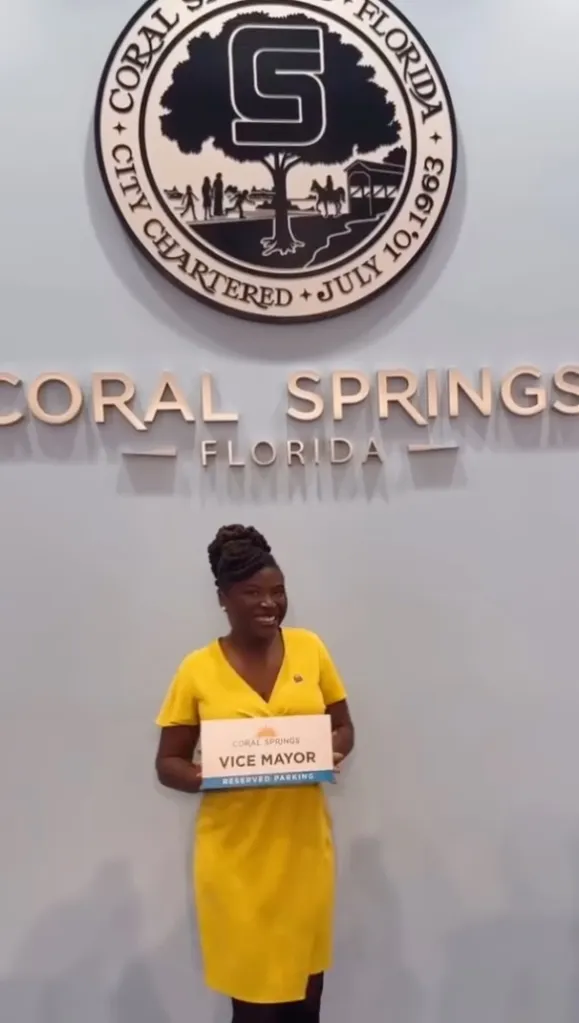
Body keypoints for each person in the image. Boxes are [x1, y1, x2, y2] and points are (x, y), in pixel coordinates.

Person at [155, 524, 354, 1023]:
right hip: (235, 860)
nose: (270, 603)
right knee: (254, 1009)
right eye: (253, 593)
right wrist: (212, 774)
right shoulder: (196, 670)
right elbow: (168, 763)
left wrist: (331, 750)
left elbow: (345, 727)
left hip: (304, 851)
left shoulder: (311, 649)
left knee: (306, 1001)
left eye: (278, 592)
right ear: (223, 599)